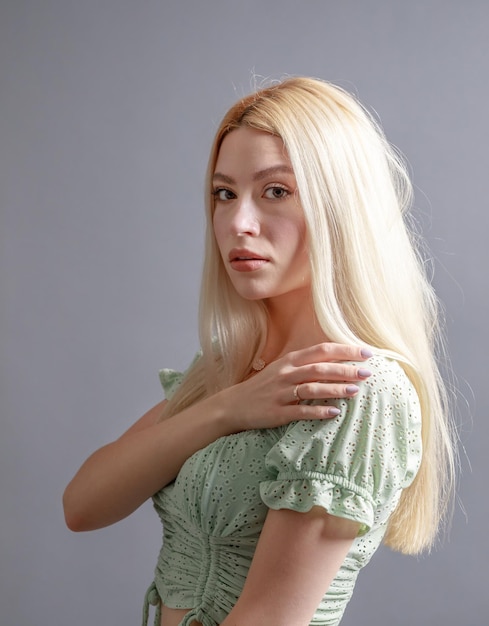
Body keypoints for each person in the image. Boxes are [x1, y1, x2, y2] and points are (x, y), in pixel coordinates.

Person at [63, 77, 456, 626]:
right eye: (225, 193)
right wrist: (229, 408)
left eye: (275, 191)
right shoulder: (233, 371)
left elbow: (268, 617)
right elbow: (82, 505)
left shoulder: (359, 389)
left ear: (340, 207)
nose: (238, 224)